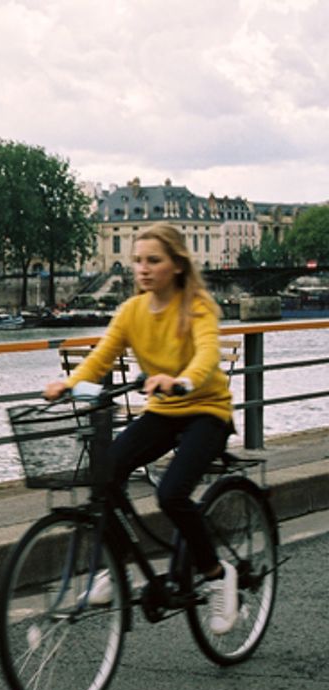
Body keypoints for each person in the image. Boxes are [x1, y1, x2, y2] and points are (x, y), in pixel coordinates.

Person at [43, 223, 237, 633]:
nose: (143, 270)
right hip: (164, 410)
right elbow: (102, 358)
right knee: (105, 473)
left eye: (154, 261)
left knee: (171, 494)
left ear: (177, 265)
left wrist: (180, 379)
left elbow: (205, 356)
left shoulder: (197, 305)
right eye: (138, 261)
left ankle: (217, 575)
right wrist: (69, 384)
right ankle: (116, 571)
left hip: (206, 408)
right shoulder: (131, 311)